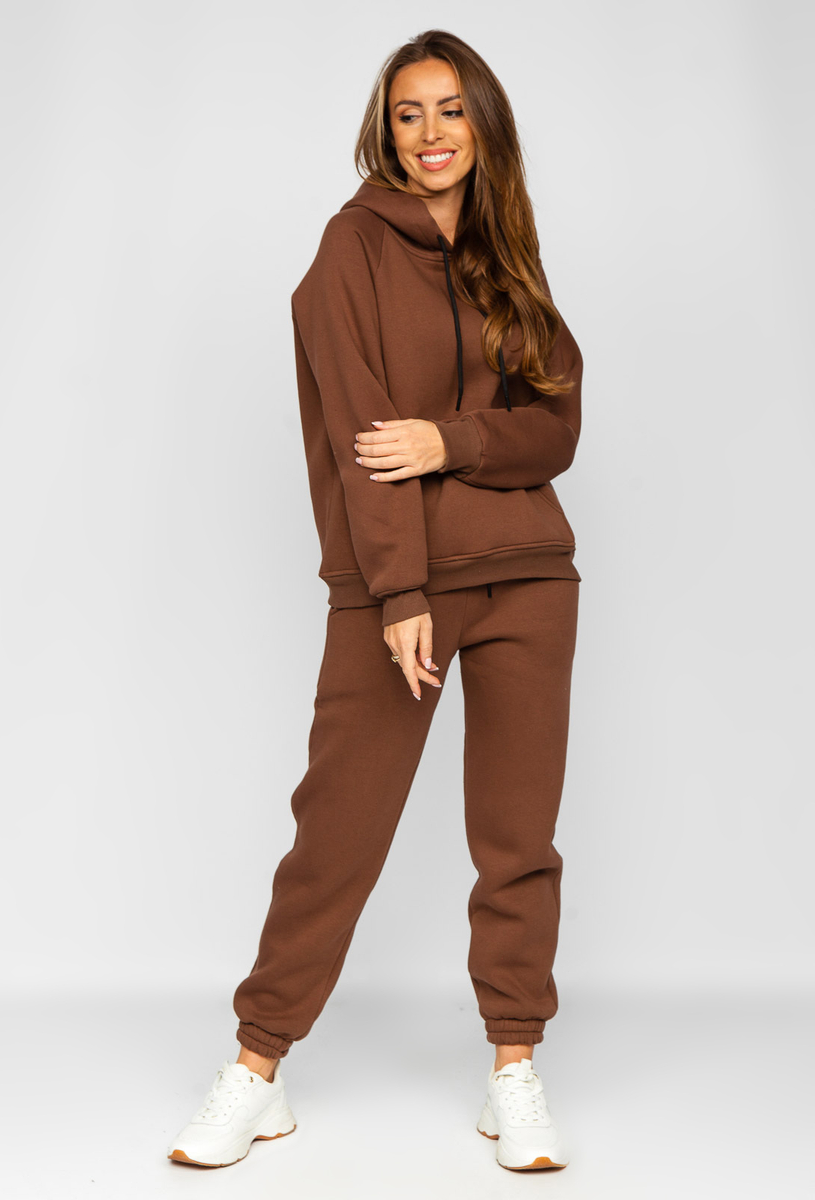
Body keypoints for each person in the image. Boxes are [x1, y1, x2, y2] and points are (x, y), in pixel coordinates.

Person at [168, 28, 584, 1174]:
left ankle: (514, 1066)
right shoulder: (348, 249)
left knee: (518, 839)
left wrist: (450, 440)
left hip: (530, 577)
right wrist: (397, 589)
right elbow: (358, 435)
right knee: (339, 832)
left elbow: (557, 428)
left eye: (451, 110)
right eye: (409, 113)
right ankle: (257, 1068)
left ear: (483, 125)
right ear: (384, 130)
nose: (432, 133)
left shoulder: (509, 252)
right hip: (398, 587)